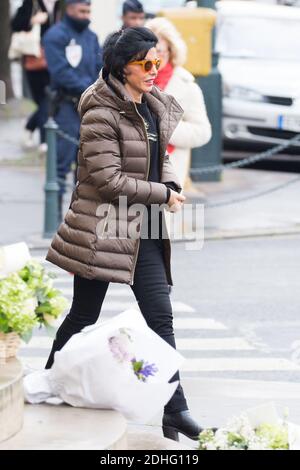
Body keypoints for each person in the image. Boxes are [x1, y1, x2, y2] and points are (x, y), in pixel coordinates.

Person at [44, 26, 214, 442]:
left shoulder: (152, 104)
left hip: (146, 229)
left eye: (158, 61)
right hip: (104, 227)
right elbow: (108, 180)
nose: (156, 69)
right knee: (84, 315)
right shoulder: (100, 110)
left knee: (161, 319)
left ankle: (176, 411)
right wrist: (162, 193)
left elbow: (160, 159)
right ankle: (49, 379)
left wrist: (169, 184)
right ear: (123, 67)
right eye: (147, 63)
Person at [42, 0, 103, 220]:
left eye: (88, 11)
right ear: (69, 10)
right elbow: (61, 72)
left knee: (87, 166)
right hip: (67, 107)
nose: (86, 16)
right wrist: (89, 89)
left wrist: (97, 89)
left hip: (90, 107)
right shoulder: (55, 36)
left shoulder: (91, 37)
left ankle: (80, 217)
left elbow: (100, 68)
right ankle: (55, 217)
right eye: (81, 11)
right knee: (61, 163)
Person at [145, 17, 212, 191]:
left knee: (161, 218)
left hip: (168, 176)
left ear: (171, 52)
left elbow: (203, 132)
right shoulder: (133, 80)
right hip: (134, 173)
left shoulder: (187, 86)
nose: (155, 58)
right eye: (150, 51)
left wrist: (164, 127)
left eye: (160, 52)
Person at [11, 0, 61, 153]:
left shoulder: (58, 5)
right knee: (44, 100)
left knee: (48, 100)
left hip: (52, 60)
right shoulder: (32, 3)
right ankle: (44, 141)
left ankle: (31, 127)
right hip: (35, 60)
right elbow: (15, 24)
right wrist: (32, 20)